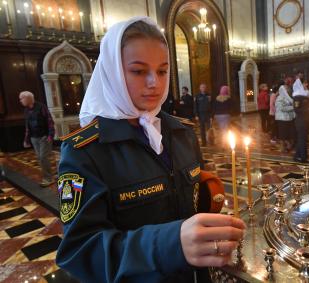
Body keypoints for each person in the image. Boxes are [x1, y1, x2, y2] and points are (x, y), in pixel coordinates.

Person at [56, 17, 245, 283]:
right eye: (138, 71)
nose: (154, 82)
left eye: (162, 70)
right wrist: (170, 244)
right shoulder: (85, 151)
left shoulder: (182, 133)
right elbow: (81, 251)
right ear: (113, 72)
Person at [19, 91, 55, 187]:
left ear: (28, 98)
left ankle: (48, 179)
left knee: (43, 157)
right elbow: (28, 126)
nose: (20, 101)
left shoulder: (41, 107)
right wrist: (26, 140)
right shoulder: (26, 110)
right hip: (34, 138)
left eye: (22, 98)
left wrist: (50, 136)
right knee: (40, 158)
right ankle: (48, 176)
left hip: (44, 137)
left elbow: (50, 121)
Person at [292, 76, 309, 163]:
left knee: (302, 138)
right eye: (305, 83)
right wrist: (308, 109)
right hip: (300, 121)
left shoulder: (305, 95)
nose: (307, 85)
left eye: (307, 83)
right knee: (302, 139)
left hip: (306, 120)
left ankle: (296, 156)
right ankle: (304, 158)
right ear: (300, 84)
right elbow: (297, 109)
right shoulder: (297, 96)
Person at [275, 84, 295, 152]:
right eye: (286, 89)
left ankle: (288, 146)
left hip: (288, 118)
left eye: (288, 88)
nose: (288, 90)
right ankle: (282, 148)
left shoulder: (287, 97)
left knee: (287, 133)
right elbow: (282, 108)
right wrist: (293, 107)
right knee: (282, 134)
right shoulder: (280, 98)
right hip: (282, 118)